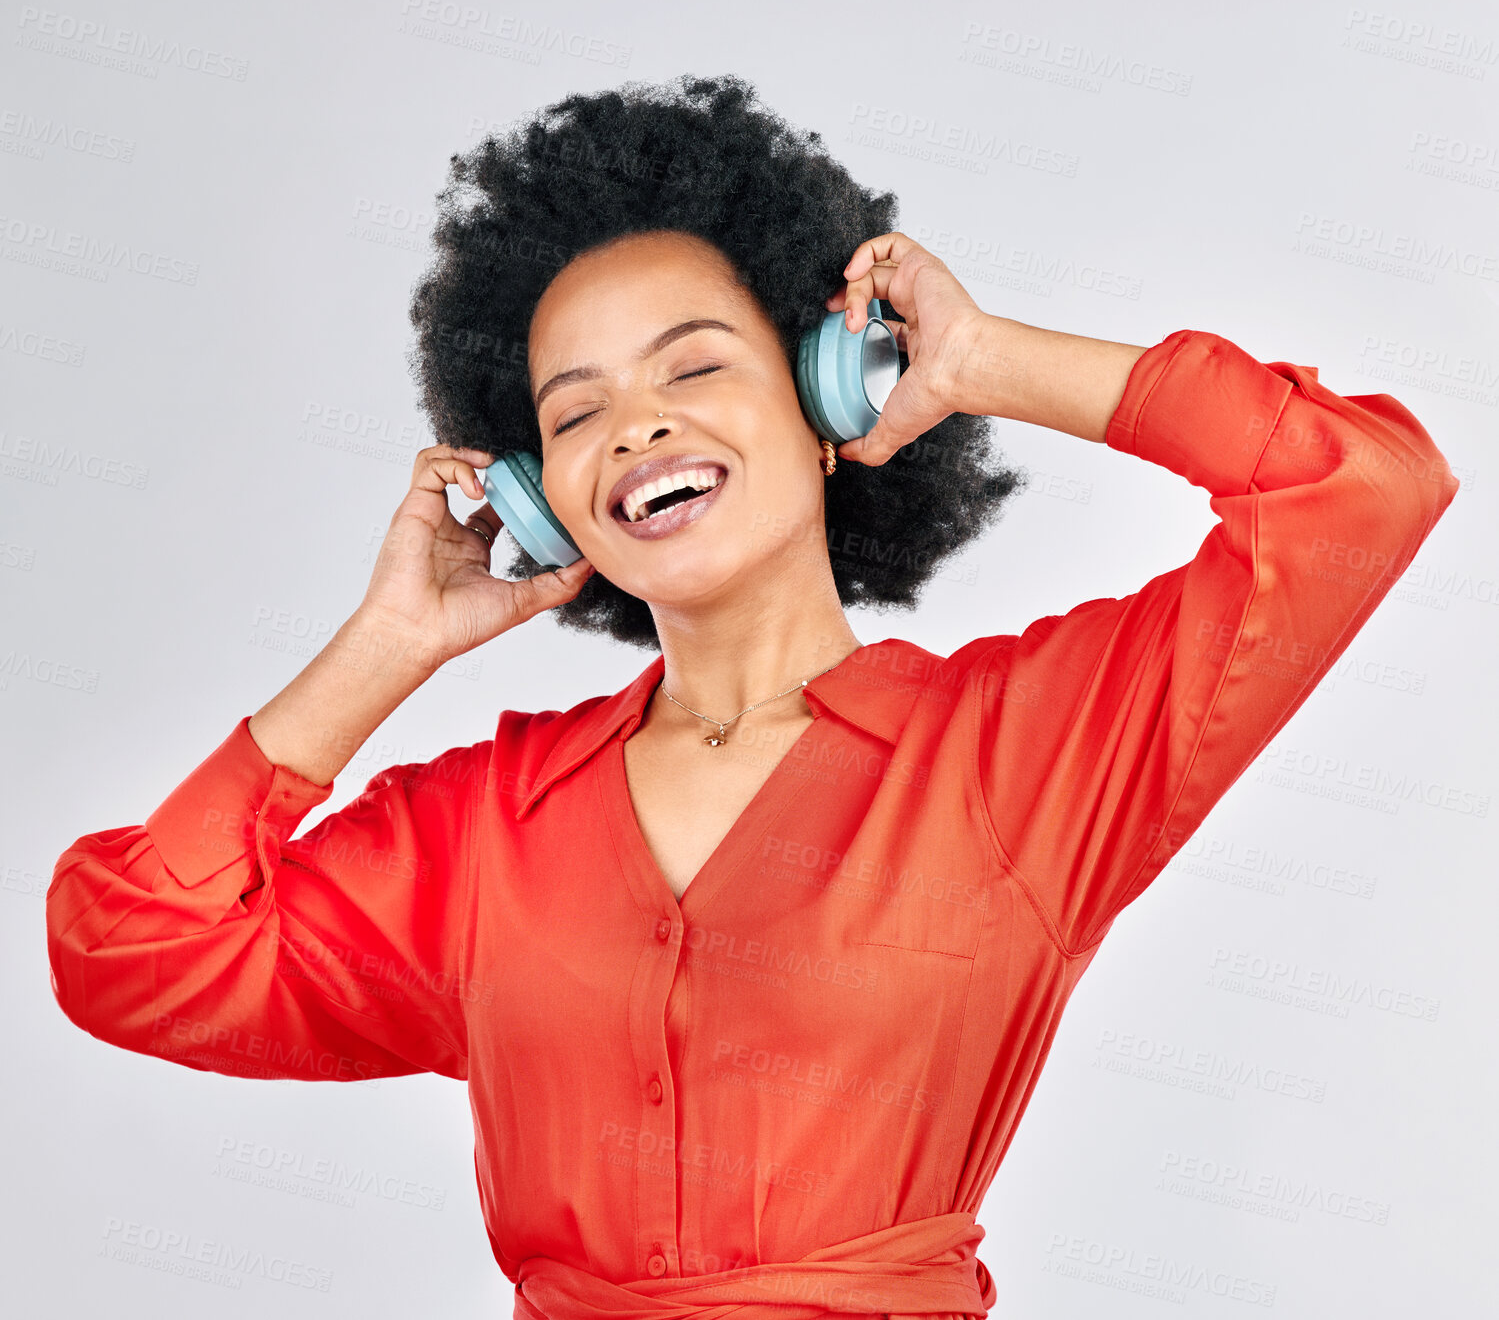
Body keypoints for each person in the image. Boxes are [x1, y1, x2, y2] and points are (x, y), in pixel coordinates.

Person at [47, 75, 1459, 1320]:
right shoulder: (481, 833)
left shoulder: (1020, 755)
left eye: (694, 365)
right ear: (543, 502)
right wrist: (387, 642)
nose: (638, 425)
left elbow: (1361, 486)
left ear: (826, 398)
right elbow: (132, 951)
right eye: (575, 410)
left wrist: (980, 364)